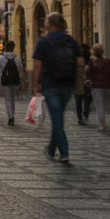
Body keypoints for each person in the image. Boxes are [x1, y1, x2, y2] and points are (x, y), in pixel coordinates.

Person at [32, 12, 85, 163]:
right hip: (67, 84)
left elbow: (37, 65)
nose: (45, 22)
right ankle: (50, 149)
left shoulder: (43, 41)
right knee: (58, 117)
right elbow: (81, 63)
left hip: (50, 85)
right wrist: (79, 81)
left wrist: (36, 84)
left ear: (50, 24)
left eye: (46, 20)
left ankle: (64, 152)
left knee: (57, 119)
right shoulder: (71, 40)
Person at [86, 44, 110, 131]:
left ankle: (102, 124)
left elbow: (87, 72)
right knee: (104, 105)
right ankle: (103, 121)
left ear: (93, 52)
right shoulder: (108, 61)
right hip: (107, 86)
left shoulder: (92, 62)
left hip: (97, 86)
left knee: (99, 106)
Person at [0, 41, 24, 126]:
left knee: (8, 99)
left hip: (5, 81)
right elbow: (20, 69)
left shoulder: (0, 58)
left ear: (5, 47)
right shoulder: (17, 58)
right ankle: (12, 116)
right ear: (13, 48)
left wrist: (1, 79)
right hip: (14, 81)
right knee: (12, 99)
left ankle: (10, 117)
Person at [74, 44, 93, 125]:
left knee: (78, 101)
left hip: (78, 83)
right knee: (87, 99)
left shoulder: (75, 60)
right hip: (87, 82)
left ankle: (80, 118)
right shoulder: (90, 61)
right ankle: (85, 114)